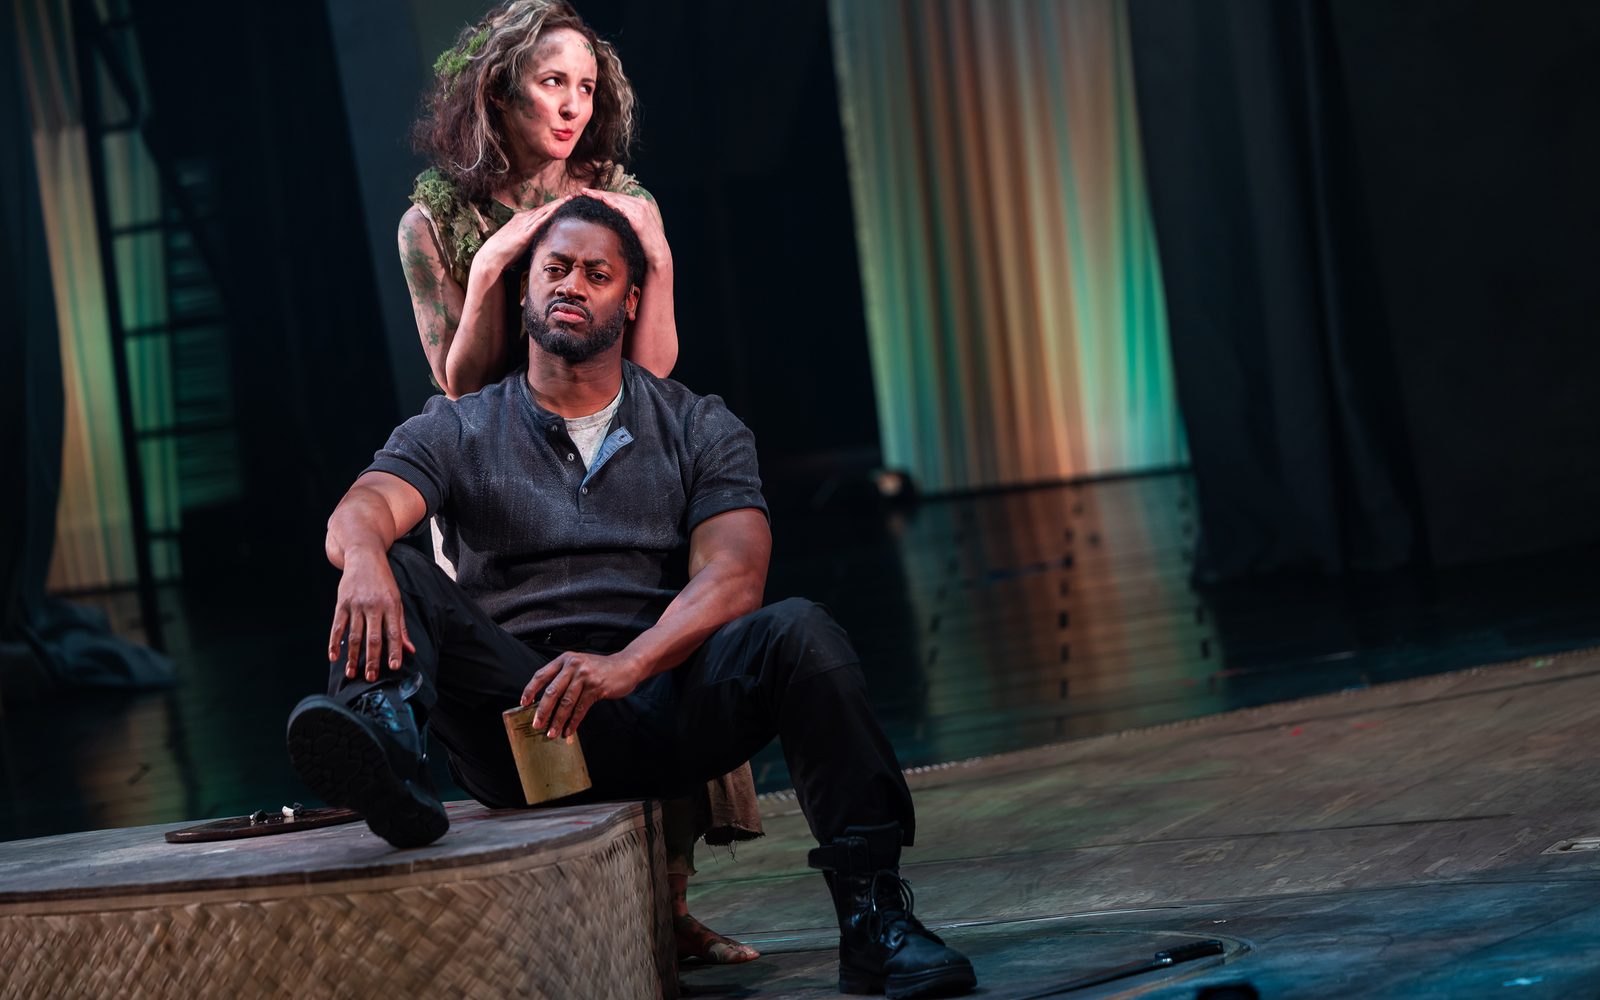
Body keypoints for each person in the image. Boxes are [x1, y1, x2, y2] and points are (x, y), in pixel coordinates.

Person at [287, 197, 978, 999]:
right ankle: (387, 760)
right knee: (393, 565)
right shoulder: (460, 426)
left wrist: (626, 665)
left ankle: (874, 922)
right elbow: (365, 505)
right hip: (521, 725)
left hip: (656, 705)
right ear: (525, 291)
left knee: (801, 632)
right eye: (555, 268)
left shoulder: (699, 425)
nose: (570, 284)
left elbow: (734, 575)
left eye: (596, 273)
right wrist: (365, 554)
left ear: (631, 301)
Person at [399, 0, 756, 963]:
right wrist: (500, 266)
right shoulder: (437, 218)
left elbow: (660, 372)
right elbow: (461, 386)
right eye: (553, 82)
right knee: (541, 678)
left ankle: (671, 906)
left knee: (658, 636)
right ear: (501, 88)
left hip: (618, 449)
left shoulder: (618, 196)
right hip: (500, 468)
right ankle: (578, 904)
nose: (571, 105)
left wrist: (663, 256)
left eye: (586, 87)